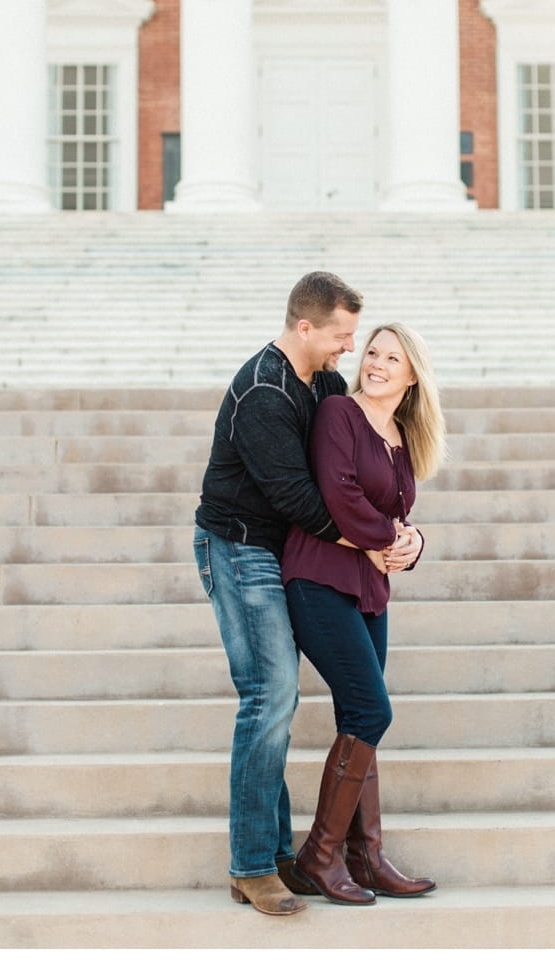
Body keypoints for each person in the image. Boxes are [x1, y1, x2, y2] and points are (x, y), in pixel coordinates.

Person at [195, 272, 421, 917]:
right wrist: (371, 543)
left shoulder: (319, 383)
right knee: (269, 695)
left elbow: (351, 468)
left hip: (282, 547)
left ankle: (296, 854)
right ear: (305, 328)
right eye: (343, 337)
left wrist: (402, 537)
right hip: (238, 547)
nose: (350, 351)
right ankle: (251, 865)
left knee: (289, 700)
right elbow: (300, 498)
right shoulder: (264, 391)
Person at [279, 322, 444, 905]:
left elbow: (399, 516)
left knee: (360, 716)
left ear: (411, 373)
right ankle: (318, 857)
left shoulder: (401, 433)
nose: (375, 363)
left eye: (390, 357)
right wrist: (382, 540)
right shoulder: (338, 414)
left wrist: (415, 542)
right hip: (319, 579)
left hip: (370, 588)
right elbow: (339, 493)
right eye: (371, 352)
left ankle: (366, 857)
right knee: (372, 709)